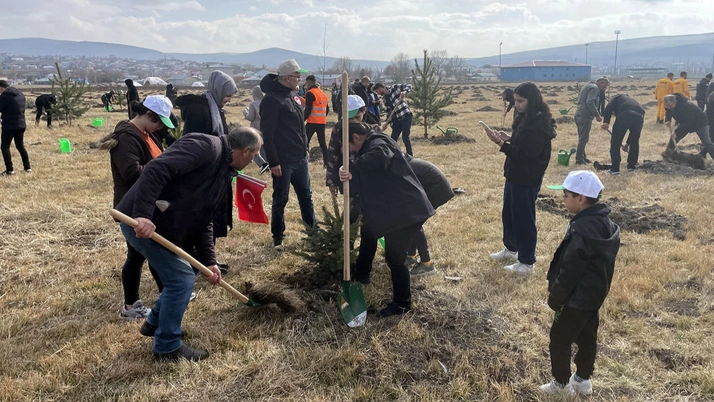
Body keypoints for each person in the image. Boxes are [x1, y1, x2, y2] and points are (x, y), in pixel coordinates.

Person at [117, 127, 261, 361]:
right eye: (254, 155)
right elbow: (156, 168)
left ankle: (153, 323)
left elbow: (204, 220)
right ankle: (166, 346)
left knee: (185, 273)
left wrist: (210, 261)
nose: (253, 160)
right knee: (180, 278)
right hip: (141, 222)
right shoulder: (204, 146)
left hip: (165, 226)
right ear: (245, 151)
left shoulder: (224, 170)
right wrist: (143, 214)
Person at [339, 122, 434, 317]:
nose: (351, 151)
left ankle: (402, 304)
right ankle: (362, 273)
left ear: (356, 137)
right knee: (368, 230)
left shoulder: (379, 142)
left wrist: (353, 167)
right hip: (394, 208)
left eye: (349, 145)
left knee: (395, 257)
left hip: (407, 210)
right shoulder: (368, 146)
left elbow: (381, 157)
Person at [540, 170, 620, 396]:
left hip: (574, 298)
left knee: (559, 339)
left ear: (581, 199)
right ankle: (583, 380)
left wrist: (556, 297)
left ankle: (561, 385)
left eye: (566, 195)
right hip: (594, 297)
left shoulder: (581, 231)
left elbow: (571, 270)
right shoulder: (607, 225)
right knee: (587, 338)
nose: (563, 199)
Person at [98, 96, 174, 319]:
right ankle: (134, 305)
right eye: (159, 122)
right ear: (148, 115)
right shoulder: (127, 138)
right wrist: (162, 168)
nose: (161, 128)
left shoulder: (147, 134)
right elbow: (131, 172)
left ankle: (158, 295)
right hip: (133, 206)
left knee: (140, 254)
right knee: (140, 255)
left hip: (148, 202)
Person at [174, 71, 245, 273]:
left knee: (212, 216)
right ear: (218, 89)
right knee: (202, 216)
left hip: (217, 171)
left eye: (231, 96)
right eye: (227, 94)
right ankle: (196, 261)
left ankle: (209, 259)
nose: (229, 99)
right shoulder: (199, 110)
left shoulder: (217, 109)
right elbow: (192, 143)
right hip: (202, 172)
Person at [485, 82, 556, 275]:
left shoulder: (538, 124)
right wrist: (509, 137)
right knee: (509, 214)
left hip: (527, 178)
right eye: (515, 100)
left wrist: (500, 142)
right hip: (514, 175)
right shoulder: (528, 118)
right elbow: (522, 143)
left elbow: (525, 155)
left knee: (524, 219)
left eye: (520, 101)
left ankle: (526, 262)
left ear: (531, 100)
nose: (516, 104)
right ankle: (511, 248)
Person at [260, 59, 317, 251]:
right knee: (280, 199)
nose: (299, 79)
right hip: (283, 161)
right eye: (296, 75)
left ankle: (313, 233)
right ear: (286, 78)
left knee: (306, 197)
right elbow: (268, 134)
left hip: (300, 158)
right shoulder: (271, 100)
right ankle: (278, 237)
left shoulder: (293, 96)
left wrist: (306, 149)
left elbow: (300, 126)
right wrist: (273, 161)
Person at [600, 94, 645, 175]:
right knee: (635, 141)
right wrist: (627, 144)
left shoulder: (616, 97)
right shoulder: (633, 101)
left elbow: (608, 107)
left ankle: (615, 170)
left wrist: (606, 122)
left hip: (625, 115)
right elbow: (632, 135)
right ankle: (632, 167)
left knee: (615, 143)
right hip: (639, 116)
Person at [663, 93, 714, 160]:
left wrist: (676, 131)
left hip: (700, 123)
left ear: (675, 102)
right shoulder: (669, 105)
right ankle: (667, 155)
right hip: (685, 123)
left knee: (707, 142)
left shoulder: (686, 106)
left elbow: (688, 122)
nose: (669, 107)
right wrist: (668, 120)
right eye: (667, 106)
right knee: (674, 138)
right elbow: (668, 111)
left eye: (670, 106)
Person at [574, 77, 608, 165]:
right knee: (584, 138)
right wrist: (597, 114)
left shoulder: (588, 86)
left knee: (582, 137)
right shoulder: (594, 88)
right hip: (585, 115)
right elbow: (590, 102)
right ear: (601, 82)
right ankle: (579, 159)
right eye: (604, 86)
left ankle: (583, 156)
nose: (604, 88)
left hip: (579, 114)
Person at [374, 82, 414, 156]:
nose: (378, 94)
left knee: (405, 137)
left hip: (405, 116)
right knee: (393, 139)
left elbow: (409, 85)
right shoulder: (384, 99)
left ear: (380, 88)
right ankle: (394, 155)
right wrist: (386, 123)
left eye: (377, 91)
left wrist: (404, 92)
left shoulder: (394, 88)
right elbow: (389, 112)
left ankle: (410, 155)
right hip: (396, 120)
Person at [0, 80, 30, 176]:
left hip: (9, 125)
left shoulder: (5, 96)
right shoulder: (20, 94)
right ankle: (27, 167)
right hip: (21, 124)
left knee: (5, 147)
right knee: (20, 146)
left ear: (1, 88)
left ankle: (10, 170)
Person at [303, 75, 330, 166]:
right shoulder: (323, 94)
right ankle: (326, 163)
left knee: (305, 141)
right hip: (321, 122)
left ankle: (305, 160)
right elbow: (327, 109)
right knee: (323, 143)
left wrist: (301, 120)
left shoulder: (310, 93)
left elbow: (308, 109)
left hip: (312, 122)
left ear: (309, 83)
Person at [243, 85, 269, 171]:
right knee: (264, 147)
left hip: (256, 128)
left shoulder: (253, 104)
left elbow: (251, 117)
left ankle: (262, 164)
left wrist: (245, 113)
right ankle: (268, 163)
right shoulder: (267, 102)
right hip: (266, 127)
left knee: (254, 147)